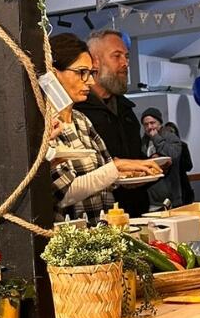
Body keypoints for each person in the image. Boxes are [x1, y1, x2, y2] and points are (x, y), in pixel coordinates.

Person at [50, 34, 162, 222]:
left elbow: (106, 174)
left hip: (102, 230)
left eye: (91, 73)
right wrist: (117, 167)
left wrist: (133, 171)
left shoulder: (82, 120)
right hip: (72, 236)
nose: (90, 81)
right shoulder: (45, 125)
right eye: (81, 72)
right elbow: (64, 193)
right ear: (54, 74)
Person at [76, 30, 154, 217]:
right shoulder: (77, 112)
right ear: (94, 62)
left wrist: (151, 165)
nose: (125, 63)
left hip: (137, 214)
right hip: (100, 218)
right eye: (117, 56)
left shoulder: (127, 110)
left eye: (126, 56)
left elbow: (134, 158)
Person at [140, 108, 184, 210]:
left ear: (159, 123)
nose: (149, 127)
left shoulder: (171, 137)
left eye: (152, 123)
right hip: (150, 197)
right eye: (146, 124)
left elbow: (174, 155)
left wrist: (156, 138)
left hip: (170, 198)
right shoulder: (143, 141)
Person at [164, 122, 195, 205]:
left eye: (171, 132)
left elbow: (189, 166)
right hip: (167, 184)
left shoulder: (183, 146)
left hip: (182, 182)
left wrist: (177, 157)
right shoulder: (162, 148)